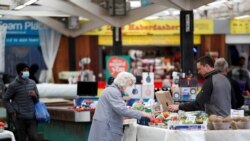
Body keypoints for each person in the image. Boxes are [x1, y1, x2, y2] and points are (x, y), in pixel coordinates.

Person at [88, 71, 152, 141]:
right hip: (106, 131)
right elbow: (123, 110)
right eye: (129, 85)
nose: (130, 87)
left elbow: (115, 110)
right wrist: (142, 114)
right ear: (123, 82)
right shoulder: (113, 92)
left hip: (105, 128)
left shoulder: (112, 90)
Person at [3, 63, 39, 141]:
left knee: (33, 137)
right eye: (24, 70)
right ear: (19, 72)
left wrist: (35, 95)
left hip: (32, 116)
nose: (27, 72)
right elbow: (5, 99)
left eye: (27, 70)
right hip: (20, 117)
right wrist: (12, 111)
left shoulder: (32, 83)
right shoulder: (13, 85)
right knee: (22, 138)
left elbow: (37, 100)